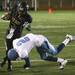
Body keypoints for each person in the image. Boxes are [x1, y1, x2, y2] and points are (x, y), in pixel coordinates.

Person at [7, 33, 75, 70]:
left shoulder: (21, 53)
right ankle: (62, 61)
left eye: (15, 58)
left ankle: (69, 38)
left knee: (55, 52)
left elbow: (28, 64)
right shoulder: (14, 42)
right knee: (44, 57)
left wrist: (26, 66)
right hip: (35, 40)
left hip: (40, 41)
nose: (17, 59)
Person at [0, 1, 32, 71]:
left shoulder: (28, 17)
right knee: (8, 49)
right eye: (21, 10)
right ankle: (9, 65)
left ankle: (4, 61)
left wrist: (27, 26)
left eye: (23, 11)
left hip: (17, 36)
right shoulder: (14, 9)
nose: (21, 12)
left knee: (15, 51)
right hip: (9, 33)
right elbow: (9, 15)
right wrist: (6, 16)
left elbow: (29, 28)